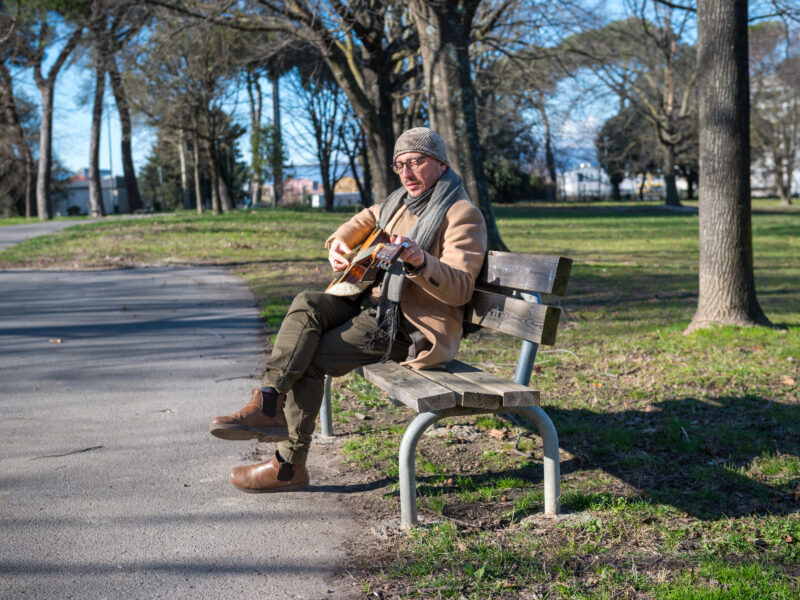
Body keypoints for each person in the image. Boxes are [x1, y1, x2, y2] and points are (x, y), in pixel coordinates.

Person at [209, 127, 488, 492]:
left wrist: (421, 262)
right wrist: (339, 241)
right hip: (368, 304)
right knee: (307, 302)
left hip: (407, 328)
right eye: (400, 165)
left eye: (416, 163)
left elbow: (461, 290)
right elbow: (365, 218)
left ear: (439, 163)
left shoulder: (461, 213)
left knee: (307, 357)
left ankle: (288, 466)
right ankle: (268, 400)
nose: (407, 173)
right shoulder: (397, 203)